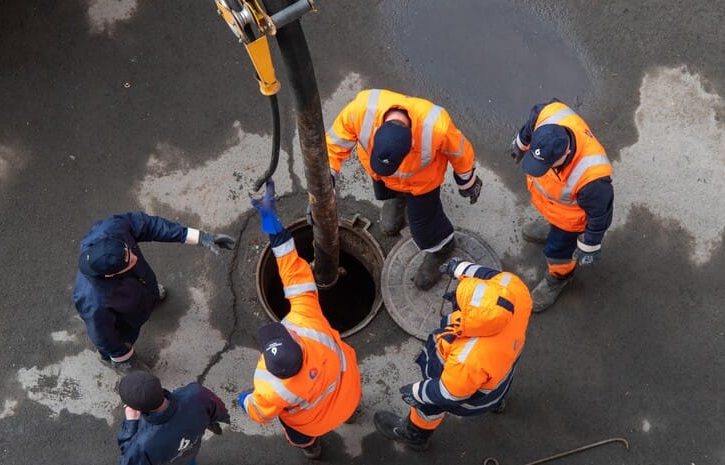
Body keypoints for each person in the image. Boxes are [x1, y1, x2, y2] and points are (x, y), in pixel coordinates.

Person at [239, 179, 361, 460]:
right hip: (349, 393)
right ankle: (353, 414)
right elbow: (294, 272)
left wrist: (244, 398)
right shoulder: (307, 323)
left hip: (312, 424)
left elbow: (258, 412)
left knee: (299, 435)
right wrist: (272, 222)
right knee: (348, 404)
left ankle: (312, 449)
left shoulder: (271, 387)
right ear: (296, 342)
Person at [326, 89, 483, 290]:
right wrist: (324, 188)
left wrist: (468, 183)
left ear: (411, 144)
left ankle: (442, 248)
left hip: (422, 185)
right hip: (380, 176)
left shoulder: (436, 126)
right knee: (385, 195)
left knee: (424, 227)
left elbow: (461, 153)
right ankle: (397, 200)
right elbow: (332, 147)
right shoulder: (360, 111)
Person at [374, 257, 532, 451]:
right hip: (501, 371)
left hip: (462, 389)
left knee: (429, 405)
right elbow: (488, 275)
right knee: (493, 384)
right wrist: (459, 268)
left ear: (469, 314)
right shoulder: (515, 289)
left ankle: (415, 434)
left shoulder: (468, 358)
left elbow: (447, 392)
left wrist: (416, 392)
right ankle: (495, 403)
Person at [73, 211, 235, 373]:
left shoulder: (111, 231)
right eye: (129, 261)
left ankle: (150, 297)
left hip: (140, 289)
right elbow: (103, 336)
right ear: (110, 274)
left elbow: (148, 225)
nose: (134, 257)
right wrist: (122, 356)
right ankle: (109, 359)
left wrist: (199, 237)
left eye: (129, 250)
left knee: (148, 294)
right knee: (122, 340)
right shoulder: (93, 302)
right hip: (126, 321)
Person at [509, 98, 614, 312]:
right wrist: (520, 144)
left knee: (557, 252)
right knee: (553, 223)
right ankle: (551, 226)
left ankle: (559, 277)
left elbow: (600, 215)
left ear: (566, 153)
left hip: (570, 222)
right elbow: (532, 123)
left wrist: (589, 245)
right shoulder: (547, 114)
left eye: (546, 165)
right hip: (552, 207)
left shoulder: (593, 178)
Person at [116, 370, 230, 465]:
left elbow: (129, 459)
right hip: (190, 451)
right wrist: (218, 421)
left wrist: (130, 424)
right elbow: (218, 409)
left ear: (135, 408)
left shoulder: (142, 442)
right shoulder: (196, 393)